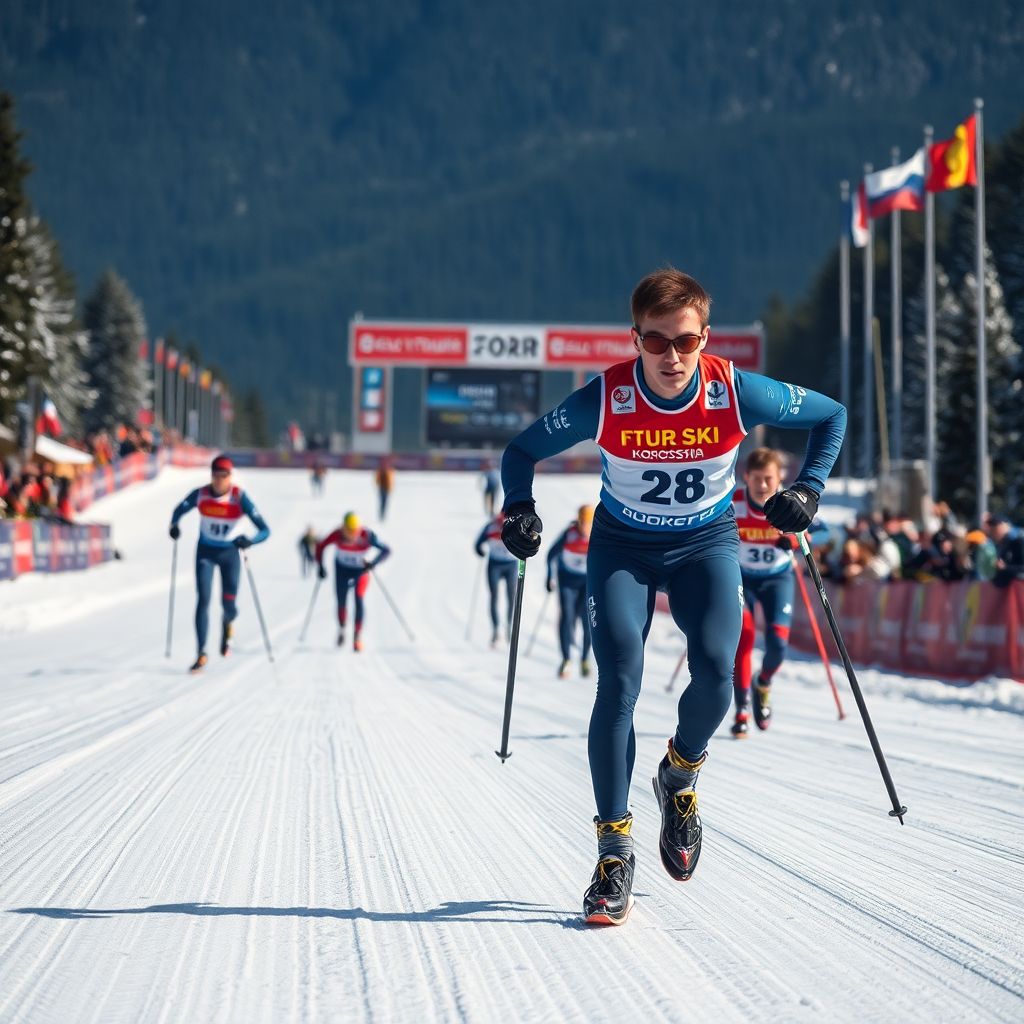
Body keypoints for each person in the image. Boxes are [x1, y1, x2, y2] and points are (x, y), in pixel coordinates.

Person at [499, 268, 846, 925]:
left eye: (684, 342)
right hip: (622, 549)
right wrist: (519, 508)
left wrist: (809, 489)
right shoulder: (606, 398)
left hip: (704, 546)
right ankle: (612, 853)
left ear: (706, 338)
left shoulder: (736, 391)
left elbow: (831, 417)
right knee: (619, 680)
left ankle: (679, 776)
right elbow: (521, 451)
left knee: (719, 668)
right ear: (635, 340)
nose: (671, 357)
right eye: (655, 343)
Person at [730, 448, 828, 738]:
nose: (762, 486)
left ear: (779, 478)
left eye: (769, 479)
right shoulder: (733, 503)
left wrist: (798, 540)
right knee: (745, 637)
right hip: (742, 579)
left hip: (777, 580)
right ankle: (741, 711)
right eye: (757, 479)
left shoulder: (790, 503)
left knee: (778, 646)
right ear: (746, 477)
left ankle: (764, 683)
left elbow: (825, 533)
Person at [169, 455, 271, 673]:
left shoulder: (239, 497)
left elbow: (265, 529)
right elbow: (178, 511)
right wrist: (174, 526)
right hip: (205, 551)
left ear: (230, 477)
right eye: (215, 475)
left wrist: (249, 540)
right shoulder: (201, 494)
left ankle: (227, 624)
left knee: (229, 605)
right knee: (203, 599)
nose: (219, 480)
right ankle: (201, 653)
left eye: (223, 476)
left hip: (230, 553)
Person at [315, 512, 391, 651]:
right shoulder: (337, 534)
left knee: (359, 599)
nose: (351, 534)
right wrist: (320, 566)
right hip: (342, 570)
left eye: (354, 531)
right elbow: (321, 546)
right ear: (343, 527)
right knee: (341, 600)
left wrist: (373, 563)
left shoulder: (367, 535)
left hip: (360, 571)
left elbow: (386, 550)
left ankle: (357, 637)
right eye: (348, 530)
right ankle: (342, 628)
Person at [546, 504, 594, 678]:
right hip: (567, 581)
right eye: (583, 522)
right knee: (567, 616)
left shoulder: (598, 535)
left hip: (588, 582)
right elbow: (551, 555)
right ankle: (566, 659)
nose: (585, 527)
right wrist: (549, 577)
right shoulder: (569, 534)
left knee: (588, 620)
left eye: (589, 523)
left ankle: (584, 659)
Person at [474, 511, 518, 647]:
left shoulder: (514, 527)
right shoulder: (490, 526)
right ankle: (495, 630)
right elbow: (478, 543)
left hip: (511, 565)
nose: (500, 528)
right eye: (499, 524)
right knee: (494, 596)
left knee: (511, 597)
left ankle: (509, 627)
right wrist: (480, 551)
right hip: (495, 565)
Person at [987, 515, 1024, 588]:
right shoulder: (1003, 544)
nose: (992, 533)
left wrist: (1005, 567)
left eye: (995, 527)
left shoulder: (1019, 540)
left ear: (1004, 525)